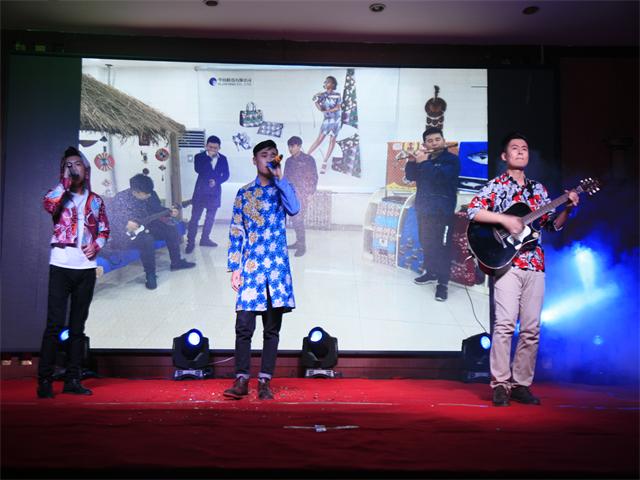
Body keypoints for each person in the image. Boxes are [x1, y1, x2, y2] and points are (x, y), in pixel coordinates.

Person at [467, 132, 579, 407]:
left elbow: (552, 225)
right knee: (505, 325)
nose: (520, 151)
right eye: (514, 148)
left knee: (531, 329)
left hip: (535, 264)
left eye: (525, 148)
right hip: (508, 263)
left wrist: (567, 208)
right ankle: (500, 384)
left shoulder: (538, 190)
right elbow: (473, 211)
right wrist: (505, 220)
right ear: (504, 156)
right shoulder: (496, 186)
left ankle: (521, 385)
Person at [223, 140, 300, 401]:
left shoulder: (283, 189)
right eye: (263, 155)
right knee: (243, 326)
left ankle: (265, 381)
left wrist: (280, 178)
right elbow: (236, 230)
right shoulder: (244, 193)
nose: (268, 159)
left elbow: (294, 208)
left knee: (271, 329)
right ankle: (241, 380)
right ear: (254, 160)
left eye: (273, 155)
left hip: (276, 270)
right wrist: (235, 267)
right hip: (251, 267)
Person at [37, 146, 110, 398]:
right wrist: (65, 182)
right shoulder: (57, 195)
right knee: (54, 325)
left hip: (85, 268)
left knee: (78, 327)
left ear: (86, 170)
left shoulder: (96, 200)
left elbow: (104, 230)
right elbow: (49, 205)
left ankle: (72, 380)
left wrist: (96, 245)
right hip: (60, 265)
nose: (73, 167)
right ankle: (45, 380)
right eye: (68, 165)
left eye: (77, 163)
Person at [110, 174, 195, 290]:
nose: (149, 195)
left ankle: (176, 262)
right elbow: (111, 219)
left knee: (170, 228)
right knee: (147, 239)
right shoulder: (121, 199)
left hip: (146, 226)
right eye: (146, 194)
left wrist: (170, 212)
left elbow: (157, 209)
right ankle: (150, 274)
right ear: (135, 192)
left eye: (150, 192)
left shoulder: (150, 194)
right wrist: (126, 223)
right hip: (125, 235)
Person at [404, 127, 460, 302]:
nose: (434, 143)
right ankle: (431, 272)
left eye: (437, 139)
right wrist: (412, 161)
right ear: (425, 144)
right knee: (426, 243)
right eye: (430, 141)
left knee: (442, 248)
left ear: (443, 141)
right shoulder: (425, 159)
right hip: (424, 209)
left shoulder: (452, 160)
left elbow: (440, 178)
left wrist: (423, 162)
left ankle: (442, 284)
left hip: (443, 212)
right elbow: (411, 176)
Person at [186, 135, 230, 254]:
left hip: (214, 192)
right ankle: (190, 242)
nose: (213, 150)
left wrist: (216, 181)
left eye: (215, 148)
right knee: (195, 218)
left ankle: (205, 239)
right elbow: (199, 170)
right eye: (210, 147)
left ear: (219, 148)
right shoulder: (199, 157)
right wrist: (209, 158)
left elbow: (226, 175)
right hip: (200, 192)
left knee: (210, 218)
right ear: (206, 146)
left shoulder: (223, 159)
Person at [283, 136, 318, 257]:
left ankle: (302, 247)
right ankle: (298, 242)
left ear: (299, 146)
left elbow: (313, 177)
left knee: (299, 220)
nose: (290, 149)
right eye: (289, 146)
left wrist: (310, 193)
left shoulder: (308, 160)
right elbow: (286, 177)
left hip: (303, 194)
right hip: (292, 195)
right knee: (294, 219)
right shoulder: (288, 161)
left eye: (292, 146)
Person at [306, 75, 342, 174]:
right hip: (327, 120)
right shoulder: (322, 95)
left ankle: (325, 162)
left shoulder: (337, 95)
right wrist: (316, 102)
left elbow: (338, 107)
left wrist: (327, 111)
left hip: (336, 120)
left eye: (327, 82)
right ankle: (306, 156)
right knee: (319, 139)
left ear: (333, 84)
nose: (325, 83)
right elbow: (319, 107)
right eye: (325, 82)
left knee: (332, 140)